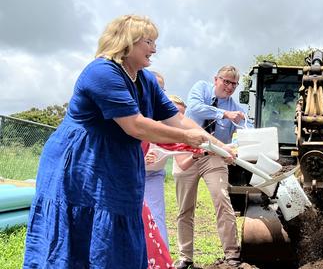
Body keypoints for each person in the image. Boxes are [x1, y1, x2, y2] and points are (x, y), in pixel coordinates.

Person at [22, 15, 234, 269]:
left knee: (118, 226)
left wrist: (219, 146)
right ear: (127, 42)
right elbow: (134, 125)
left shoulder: (144, 80)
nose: (154, 49)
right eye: (149, 41)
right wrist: (188, 138)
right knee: (80, 227)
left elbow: (175, 119)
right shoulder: (101, 72)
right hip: (81, 163)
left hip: (118, 164)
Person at [173, 65, 248, 269]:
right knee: (184, 208)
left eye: (234, 83)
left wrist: (235, 149)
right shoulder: (201, 88)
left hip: (213, 157)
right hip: (186, 152)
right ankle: (185, 257)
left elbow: (243, 136)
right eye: (226, 81)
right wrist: (224, 114)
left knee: (222, 200)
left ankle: (232, 254)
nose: (230, 87)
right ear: (216, 79)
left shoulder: (238, 109)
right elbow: (195, 108)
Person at [143, 70, 171, 245]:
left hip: (152, 175)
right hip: (128, 175)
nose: (159, 93)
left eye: (162, 89)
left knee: (155, 217)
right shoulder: (130, 110)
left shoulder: (164, 116)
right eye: (155, 88)